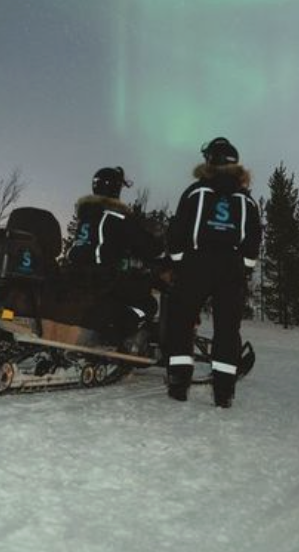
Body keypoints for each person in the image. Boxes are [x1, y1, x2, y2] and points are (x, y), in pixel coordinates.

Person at [163, 137, 263, 407]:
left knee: (181, 320)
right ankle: (224, 392)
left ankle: (178, 383)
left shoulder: (195, 192)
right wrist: (243, 268)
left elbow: (177, 231)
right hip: (231, 267)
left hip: (196, 264)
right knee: (228, 329)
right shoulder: (247, 201)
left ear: (210, 162)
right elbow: (253, 242)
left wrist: (178, 262)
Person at [63, 166, 158, 349]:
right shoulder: (116, 217)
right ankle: (115, 337)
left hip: (75, 275)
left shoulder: (86, 216)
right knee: (147, 303)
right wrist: (159, 247)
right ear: (116, 189)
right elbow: (146, 245)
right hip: (104, 278)